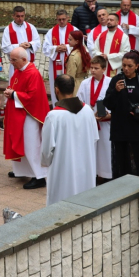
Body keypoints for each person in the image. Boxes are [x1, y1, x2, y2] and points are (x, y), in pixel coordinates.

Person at [42, 74, 99, 206]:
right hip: (85, 169)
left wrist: (46, 163)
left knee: (60, 206)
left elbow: (46, 150)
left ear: (56, 90)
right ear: (73, 88)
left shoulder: (53, 116)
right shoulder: (88, 111)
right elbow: (94, 138)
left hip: (63, 170)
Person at [103, 51, 139, 178]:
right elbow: (108, 103)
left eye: (129, 66)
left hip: (137, 131)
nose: (126, 69)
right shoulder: (116, 80)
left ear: (137, 66)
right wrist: (115, 91)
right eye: (124, 65)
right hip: (120, 131)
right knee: (121, 166)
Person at [3, 47, 50, 189]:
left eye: (13, 60)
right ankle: (21, 170)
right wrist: (9, 92)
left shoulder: (33, 73)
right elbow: (14, 87)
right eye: (10, 59)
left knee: (31, 145)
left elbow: (33, 97)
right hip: (18, 113)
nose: (11, 62)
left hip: (30, 115)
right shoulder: (18, 71)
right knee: (20, 142)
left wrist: (14, 94)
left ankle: (39, 176)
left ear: (24, 59)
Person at [77, 56, 113, 180]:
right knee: (90, 149)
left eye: (96, 68)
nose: (92, 70)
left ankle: (105, 175)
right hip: (89, 121)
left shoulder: (110, 83)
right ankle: (91, 174)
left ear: (103, 69)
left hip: (105, 122)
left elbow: (115, 103)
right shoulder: (85, 83)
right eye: (91, 68)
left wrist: (108, 114)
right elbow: (79, 102)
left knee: (105, 149)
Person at [42, 9, 79, 106]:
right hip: (56, 64)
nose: (62, 21)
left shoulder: (75, 30)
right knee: (57, 85)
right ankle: (57, 105)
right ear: (56, 19)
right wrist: (56, 48)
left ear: (68, 18)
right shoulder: (51, 32)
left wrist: (66, 47)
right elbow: (45, 48)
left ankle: (70, 106)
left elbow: (80, 45)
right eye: (59, 20)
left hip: (70, 63)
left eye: (63, 19)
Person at [1, 6, 41, 80]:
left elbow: (38, 42)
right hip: (15, 67)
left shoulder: (31, 27)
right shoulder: (8, 30)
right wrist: (19, 46)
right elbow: (5, 48)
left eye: (22, 16)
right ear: (13, 16)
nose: (20, 18)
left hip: (30, 65)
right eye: (18, 16)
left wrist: (30, 45)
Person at [65, 30, 91, 96]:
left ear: (77, 41)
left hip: (75, 86)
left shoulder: (73, 56)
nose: (68, 41)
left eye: (70, 39)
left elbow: (71, 76)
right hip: (84, 83)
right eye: (68, 39)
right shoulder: (84, 52)